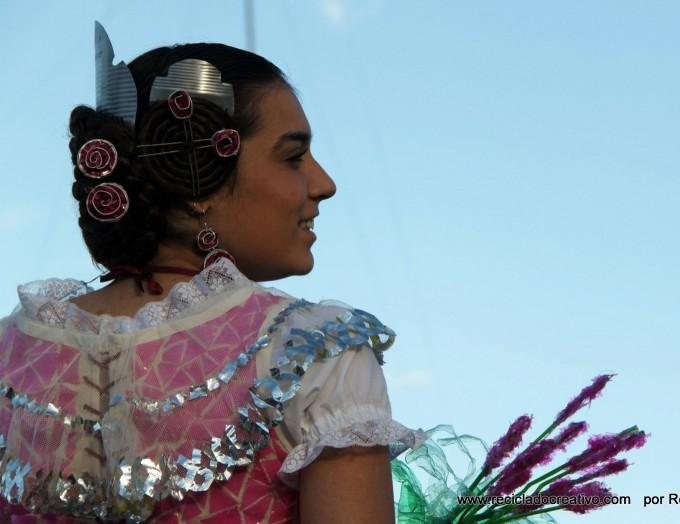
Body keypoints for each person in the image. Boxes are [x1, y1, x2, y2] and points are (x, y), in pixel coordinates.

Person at [0, 23, 425, 523]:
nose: (323, 184)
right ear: (197, 180)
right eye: (292, 156)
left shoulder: (11, 356)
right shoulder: (312, 355)